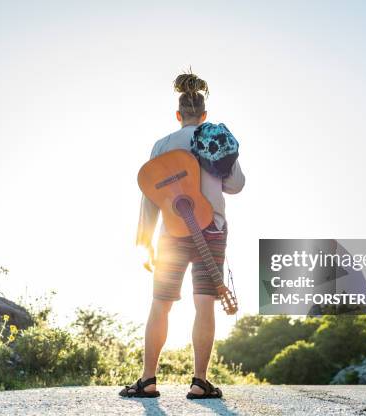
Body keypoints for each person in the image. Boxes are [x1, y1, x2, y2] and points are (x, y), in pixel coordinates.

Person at [120, 72, 245, 399]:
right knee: (204, 304)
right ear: (203, 114)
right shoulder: (216, 137)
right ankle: (200, 382)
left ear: (179, 115)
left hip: (172, 233)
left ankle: (148, 380)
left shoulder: (162, 145)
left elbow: (150, 194)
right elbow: (236, 185)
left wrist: (145, 239)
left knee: (161, 304)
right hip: (212, 230)